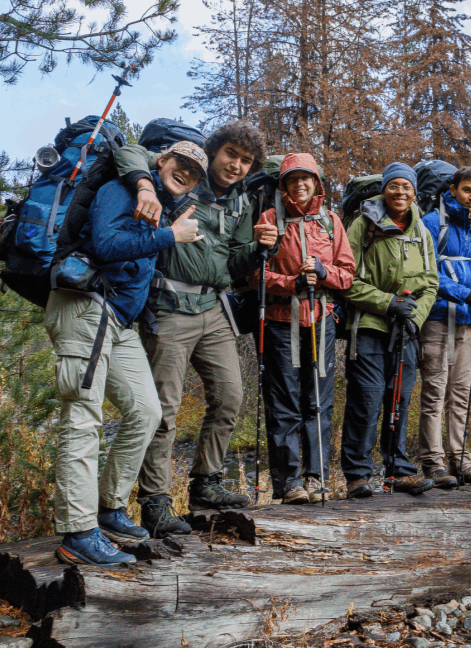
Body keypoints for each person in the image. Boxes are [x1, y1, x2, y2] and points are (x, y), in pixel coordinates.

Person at [45, 141, 207, 565]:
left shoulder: (163, 207)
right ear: (161, 161)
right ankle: (78, 533)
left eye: (195, 172)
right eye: (181, 164)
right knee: (83, 418)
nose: (186, 173)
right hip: (86, 309)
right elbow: (104, 244)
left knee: (146, 412)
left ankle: (110, 508)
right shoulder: (122, 189)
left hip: (118, 321)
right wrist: (170, 236)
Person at [114, 122, 278, 538]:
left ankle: (206, 484)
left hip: (213, 308)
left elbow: (236, 262)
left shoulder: (240, 203)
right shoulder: (183, 179)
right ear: (214, 151)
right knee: (164, 410)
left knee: (229, 396)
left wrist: (261, 248)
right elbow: (130, 153)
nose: (237, 166)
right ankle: (155, 501)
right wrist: (147, 190)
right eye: (231, 155)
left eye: (245, 161)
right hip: (167, 309)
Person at [250, 154, 355, 504]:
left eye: (306, 178)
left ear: (316, 182)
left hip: (321, 320)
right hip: (281, 322)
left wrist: (324, 273)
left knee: (319, 402)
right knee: (285, 404)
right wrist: (292, 283)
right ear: (283, 184)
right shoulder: (269, 219)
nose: (300, 184)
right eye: (292, 179)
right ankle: (289, 482)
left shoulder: (330, 222)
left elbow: (347, 273)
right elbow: (254, 276)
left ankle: (317, 477)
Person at [341, 162, 439, 498]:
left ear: (414, 192)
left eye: (406, 187)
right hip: (367, 325)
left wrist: (414, 317)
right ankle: (358, 474)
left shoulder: (421, 231)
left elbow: (431, 282)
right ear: (385, 189)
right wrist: (386, 303)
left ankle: (398, 472)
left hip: (406, 329)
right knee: (366, 401)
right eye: (394, 186)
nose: (400, 193)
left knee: (399, 399)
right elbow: (346, 279)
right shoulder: (362, 225)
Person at [418, 166, 471, 487]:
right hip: (438, 319)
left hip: (466, 324)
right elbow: (426, 272)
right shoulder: (432, 223)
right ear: (452, 190)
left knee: (461, 393)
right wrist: (470, 295)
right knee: (435, 392)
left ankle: (460, 460)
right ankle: (433, 462)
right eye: (468, 190)